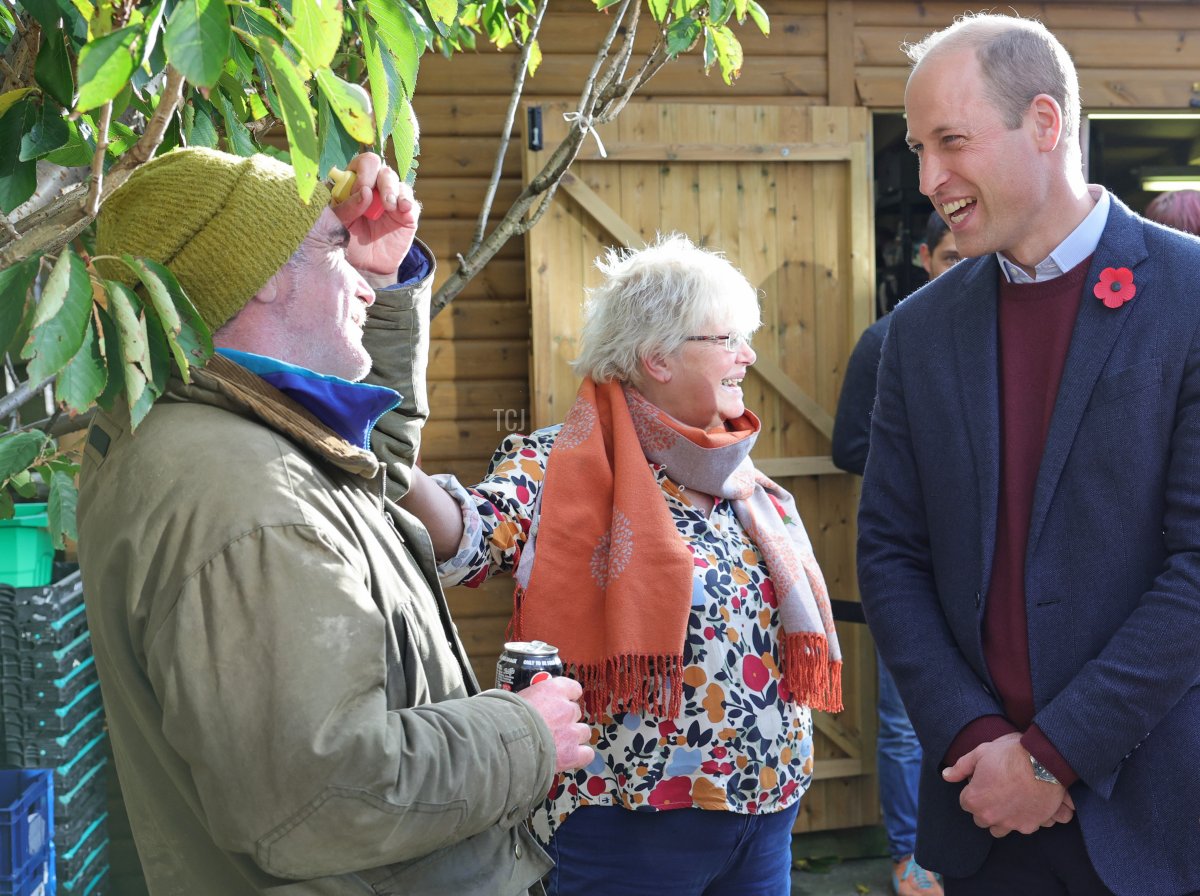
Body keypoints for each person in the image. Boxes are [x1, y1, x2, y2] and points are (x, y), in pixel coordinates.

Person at [76, 147, 593, 896]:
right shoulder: (248, 503)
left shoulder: (230, 429)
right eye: (333, 246)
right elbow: (321, 796)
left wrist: (386, 281)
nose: (357, 277)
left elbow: (363, 466)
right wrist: (524, 735)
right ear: (256, 280)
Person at [858, 13, 1200, 896]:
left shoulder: (1188, 297)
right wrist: (976, 742)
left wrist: (1053, 756)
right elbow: (890, 554)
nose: (930, 178)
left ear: (1045, 125)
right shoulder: (920, 330)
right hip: (981, 824)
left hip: (1153, 820)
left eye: (952, 142)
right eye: (918, 147)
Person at [398, 234, 843, 895]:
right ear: (657, 357)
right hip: (627, 827)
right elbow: (470, 538)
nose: (747, 356)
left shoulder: (734, 476)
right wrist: (390, 467)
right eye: (727, 340)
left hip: (764, 811)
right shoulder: (560, 462)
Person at [832, 210, 958, 896]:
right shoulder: (884, 341)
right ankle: (911, 856)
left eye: (971, 256)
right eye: (947, 258)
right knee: (904, 721)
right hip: (910, 556)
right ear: (921, 257)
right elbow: (846, 446)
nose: (961, 270)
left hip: (983, 563)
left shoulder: (997, 333)